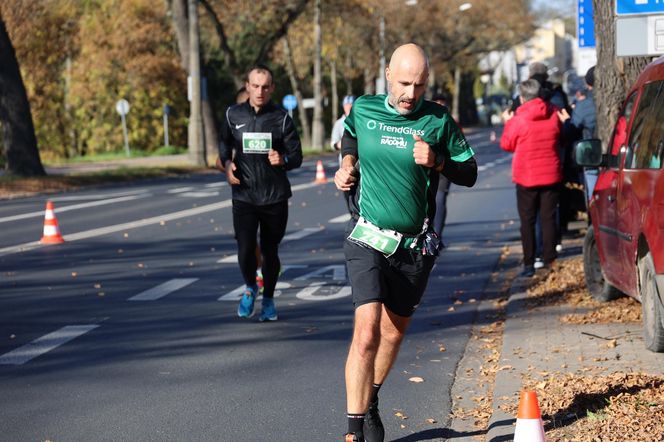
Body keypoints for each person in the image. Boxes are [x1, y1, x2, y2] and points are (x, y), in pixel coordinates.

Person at [334, 43, 477, 442]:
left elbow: (470, 172)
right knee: (366, 332)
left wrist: (438, 162)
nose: (410, 94)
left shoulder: (437, 120)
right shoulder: (364, 108)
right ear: (387, 77)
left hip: (414, 245)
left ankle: (372, 397)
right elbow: (349, 137)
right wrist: (346, 166)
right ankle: (354, 430)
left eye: (418, 84)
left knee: (393, 333)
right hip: (368, 237)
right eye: (403, 83)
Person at [218, 65, 302, 321]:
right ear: (247, 86)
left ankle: (268, 300)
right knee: (244, 249)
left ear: (272, 89)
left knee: (270, 250)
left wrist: (283, 159)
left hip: (274, 196)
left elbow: (297, 156)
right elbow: (224, 144)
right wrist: (228, 164)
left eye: (265, 87)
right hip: (243, 195)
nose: (260, 91)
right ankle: (251, 287)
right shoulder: (233, 114)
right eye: (255, 86)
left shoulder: (282, 118)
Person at [501, 79, 562, 277]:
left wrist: (507, 122)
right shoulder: (552, 114)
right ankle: (550, 259)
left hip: (526, 176)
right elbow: (559, 135)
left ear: (522, 98)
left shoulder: (518, 119)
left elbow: (507, 144)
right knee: (548, 218)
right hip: (550, 173)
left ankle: (529, 264)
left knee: (527, 221)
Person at [558, 66, 597, 204]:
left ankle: (594, 220)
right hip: (620, 156)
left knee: (594, 197)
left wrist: (567, 120)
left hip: (592, 157)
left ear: (588, 84)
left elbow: (571, 131)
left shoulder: (584, 105)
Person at [430, 93, 453, 245]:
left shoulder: (451, 123)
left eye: (443, 105)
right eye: (437, 104)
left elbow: (459, 146)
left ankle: (437, 236)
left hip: (444, 166)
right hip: (427, 167)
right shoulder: (426, 121)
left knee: (440, 199)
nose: (440, 107)